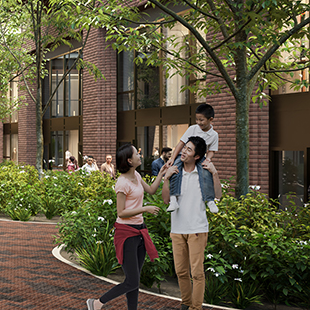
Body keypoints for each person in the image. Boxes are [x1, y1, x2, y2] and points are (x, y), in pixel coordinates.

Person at [86, 144, 168, 310]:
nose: (140, 155)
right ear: (130, 160)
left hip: (140, 231)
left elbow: (152, 190)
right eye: (136, 154)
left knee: (134, 280)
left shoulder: (136, 175)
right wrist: (145, 208)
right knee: (132, 281)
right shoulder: (122, 183)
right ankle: (97, 303)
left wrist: (162, 173)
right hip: (126, 234)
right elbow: (121, 212)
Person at [162, 137, 222, 310]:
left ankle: (196, 308)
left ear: (197, 156)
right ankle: (185, 303)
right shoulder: (176, 173)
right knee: (181, 272)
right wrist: (166, 178)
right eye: (184, 148)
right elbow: (166, 200)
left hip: (197, 229)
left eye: (189, 150)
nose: (183, 151)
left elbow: (218, 195)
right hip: (177, 229)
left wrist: (215, 172)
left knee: (197, 273)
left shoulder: (203, 173)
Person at [167, 103, 219, 213]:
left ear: (211, 119)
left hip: (200, 157)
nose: (198, 122)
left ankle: (210, 200)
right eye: (197, 119)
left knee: (206, 173)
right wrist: (173, 158)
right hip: (184, 155)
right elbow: (181, 144)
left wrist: (207, 159)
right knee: (174, 170)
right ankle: (173, 199)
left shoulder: (214, 135)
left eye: (201, 120)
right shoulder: (193, 129)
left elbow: (212, 151)